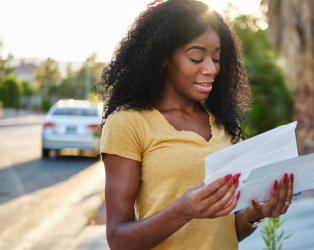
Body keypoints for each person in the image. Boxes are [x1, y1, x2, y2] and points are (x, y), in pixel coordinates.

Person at [97, 0, 294, 249]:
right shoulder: (129, 123)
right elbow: (118, 239)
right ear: (163, 58)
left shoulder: (223, 123)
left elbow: (221, 232)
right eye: (197, 58)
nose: (211, 69)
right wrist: (182, 210)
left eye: (217, 58)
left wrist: (254, 214)